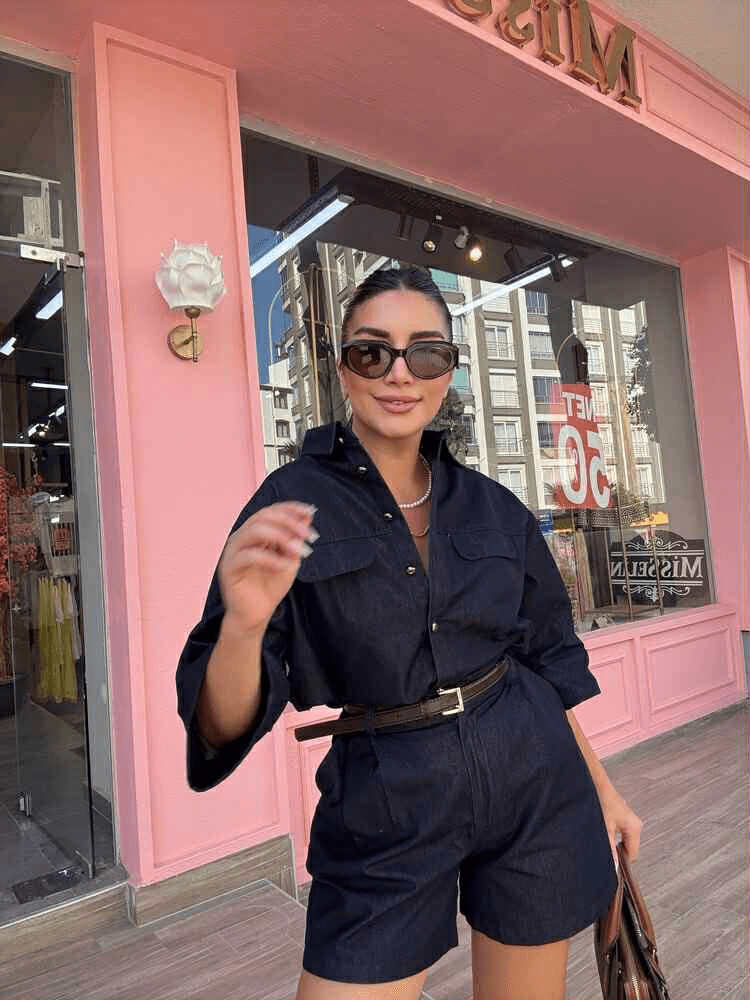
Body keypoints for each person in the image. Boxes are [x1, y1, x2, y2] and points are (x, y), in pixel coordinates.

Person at [176, 266, 642, 1000]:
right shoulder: (288, 503)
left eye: (425, 353)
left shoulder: (493, 506)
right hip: (385, 796)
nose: (399, 374)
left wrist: (602, 790)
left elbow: (542, 663)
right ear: (343, 369)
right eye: (372, 352)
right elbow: (220, 724)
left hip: (533, 778)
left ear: (448, 371)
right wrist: (244, 624)